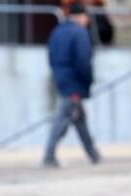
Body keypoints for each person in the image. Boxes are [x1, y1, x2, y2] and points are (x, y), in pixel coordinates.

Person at [43, 1, 102, 168]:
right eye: (86, 17)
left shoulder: (57, 31)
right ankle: (49, 155)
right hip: (74, 83)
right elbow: (83, 62)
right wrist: (88, 82)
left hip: (61, 80)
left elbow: (51, 58)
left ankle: (93, 153)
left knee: (79, 117)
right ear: (81, 16)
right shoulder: (80, 33)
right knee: (65, 117)